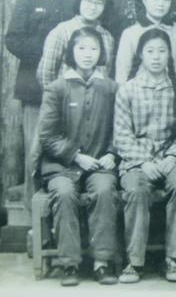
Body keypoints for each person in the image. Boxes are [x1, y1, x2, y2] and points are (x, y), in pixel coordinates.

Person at [38, 27, 119, 286]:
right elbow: (47, 136)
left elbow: (119, 128)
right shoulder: (56, 88)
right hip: (61, 166)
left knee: (104, 189)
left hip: (98, 164)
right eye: (81, 48)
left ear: (101, 53)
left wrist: (112, 153)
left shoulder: (110, 88)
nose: (87, 54)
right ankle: (70, 264)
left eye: (94, 48)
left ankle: (102, 262)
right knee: (64, 193)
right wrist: (75, 156)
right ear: (71, 52)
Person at [5, 0, 81, 207]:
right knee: (35, 151)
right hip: (35, 89)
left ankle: (65, 213)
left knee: (69, 149)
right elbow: (13, 39)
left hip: (73, 89)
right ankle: (34, 218)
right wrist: (50, 52)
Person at [115, 28, 176, 284]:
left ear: (170, 54)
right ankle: (134, 261)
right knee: (136, 189)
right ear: (141, 54)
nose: (156, 57)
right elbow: (122, 136)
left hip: (170, 157)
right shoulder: (128, 90)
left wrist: (173, 156)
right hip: (137, 160)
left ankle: (175, 258)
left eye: (162, 51)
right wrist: (144, 162)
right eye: (150, 51)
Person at [37, 0, 115, 88]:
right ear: (79, 0)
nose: (93, 7)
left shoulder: (107, 37)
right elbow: (45, 75)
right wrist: (56, 96)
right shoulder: (62, 31)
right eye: (88, 0)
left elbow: (105, 73)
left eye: (99, 2)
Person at [115, 0, 176, 87]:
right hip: (140, 95)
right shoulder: (130, 34)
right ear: (144, 0)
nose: (161, 4)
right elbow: (122, 75)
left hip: (175, 93)